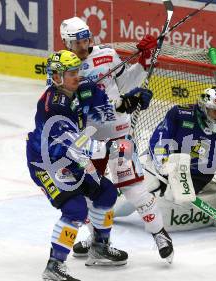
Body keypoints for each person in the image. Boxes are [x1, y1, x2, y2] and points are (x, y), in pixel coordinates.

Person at [26, 50, 153, 281]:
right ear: (57, 77)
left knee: (106, 193)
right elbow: (78, 147)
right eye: (72, 73)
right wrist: (114, 147)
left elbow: (107, 111)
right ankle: (53, 269)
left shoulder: (82, 89)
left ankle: (99, 248)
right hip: (49, 163)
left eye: (78, 71)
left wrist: (128, 102)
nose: (78, 76)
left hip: (73, 158)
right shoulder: (54, 107)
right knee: (75, 209)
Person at [58, 16, 174, 263]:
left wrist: (143, 60)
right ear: (66, 43)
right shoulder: (63, 68)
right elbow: (71, 106)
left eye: (86, 38)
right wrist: (117, 103)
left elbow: (126, 82)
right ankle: (97, 240)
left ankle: (160, 234)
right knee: (91, 195)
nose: (83, 45)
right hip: (88, 143)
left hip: (119, 133)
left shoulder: (107, 56)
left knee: (135, 189)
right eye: (77, 42)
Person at [148, 86, 216, 206]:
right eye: (215, 111)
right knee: (148, 184)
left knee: (173, 198)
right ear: (203, 108)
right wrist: (163, 163)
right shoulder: (180, 114)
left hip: (197, 176)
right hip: (170, 163)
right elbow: (159, 139)